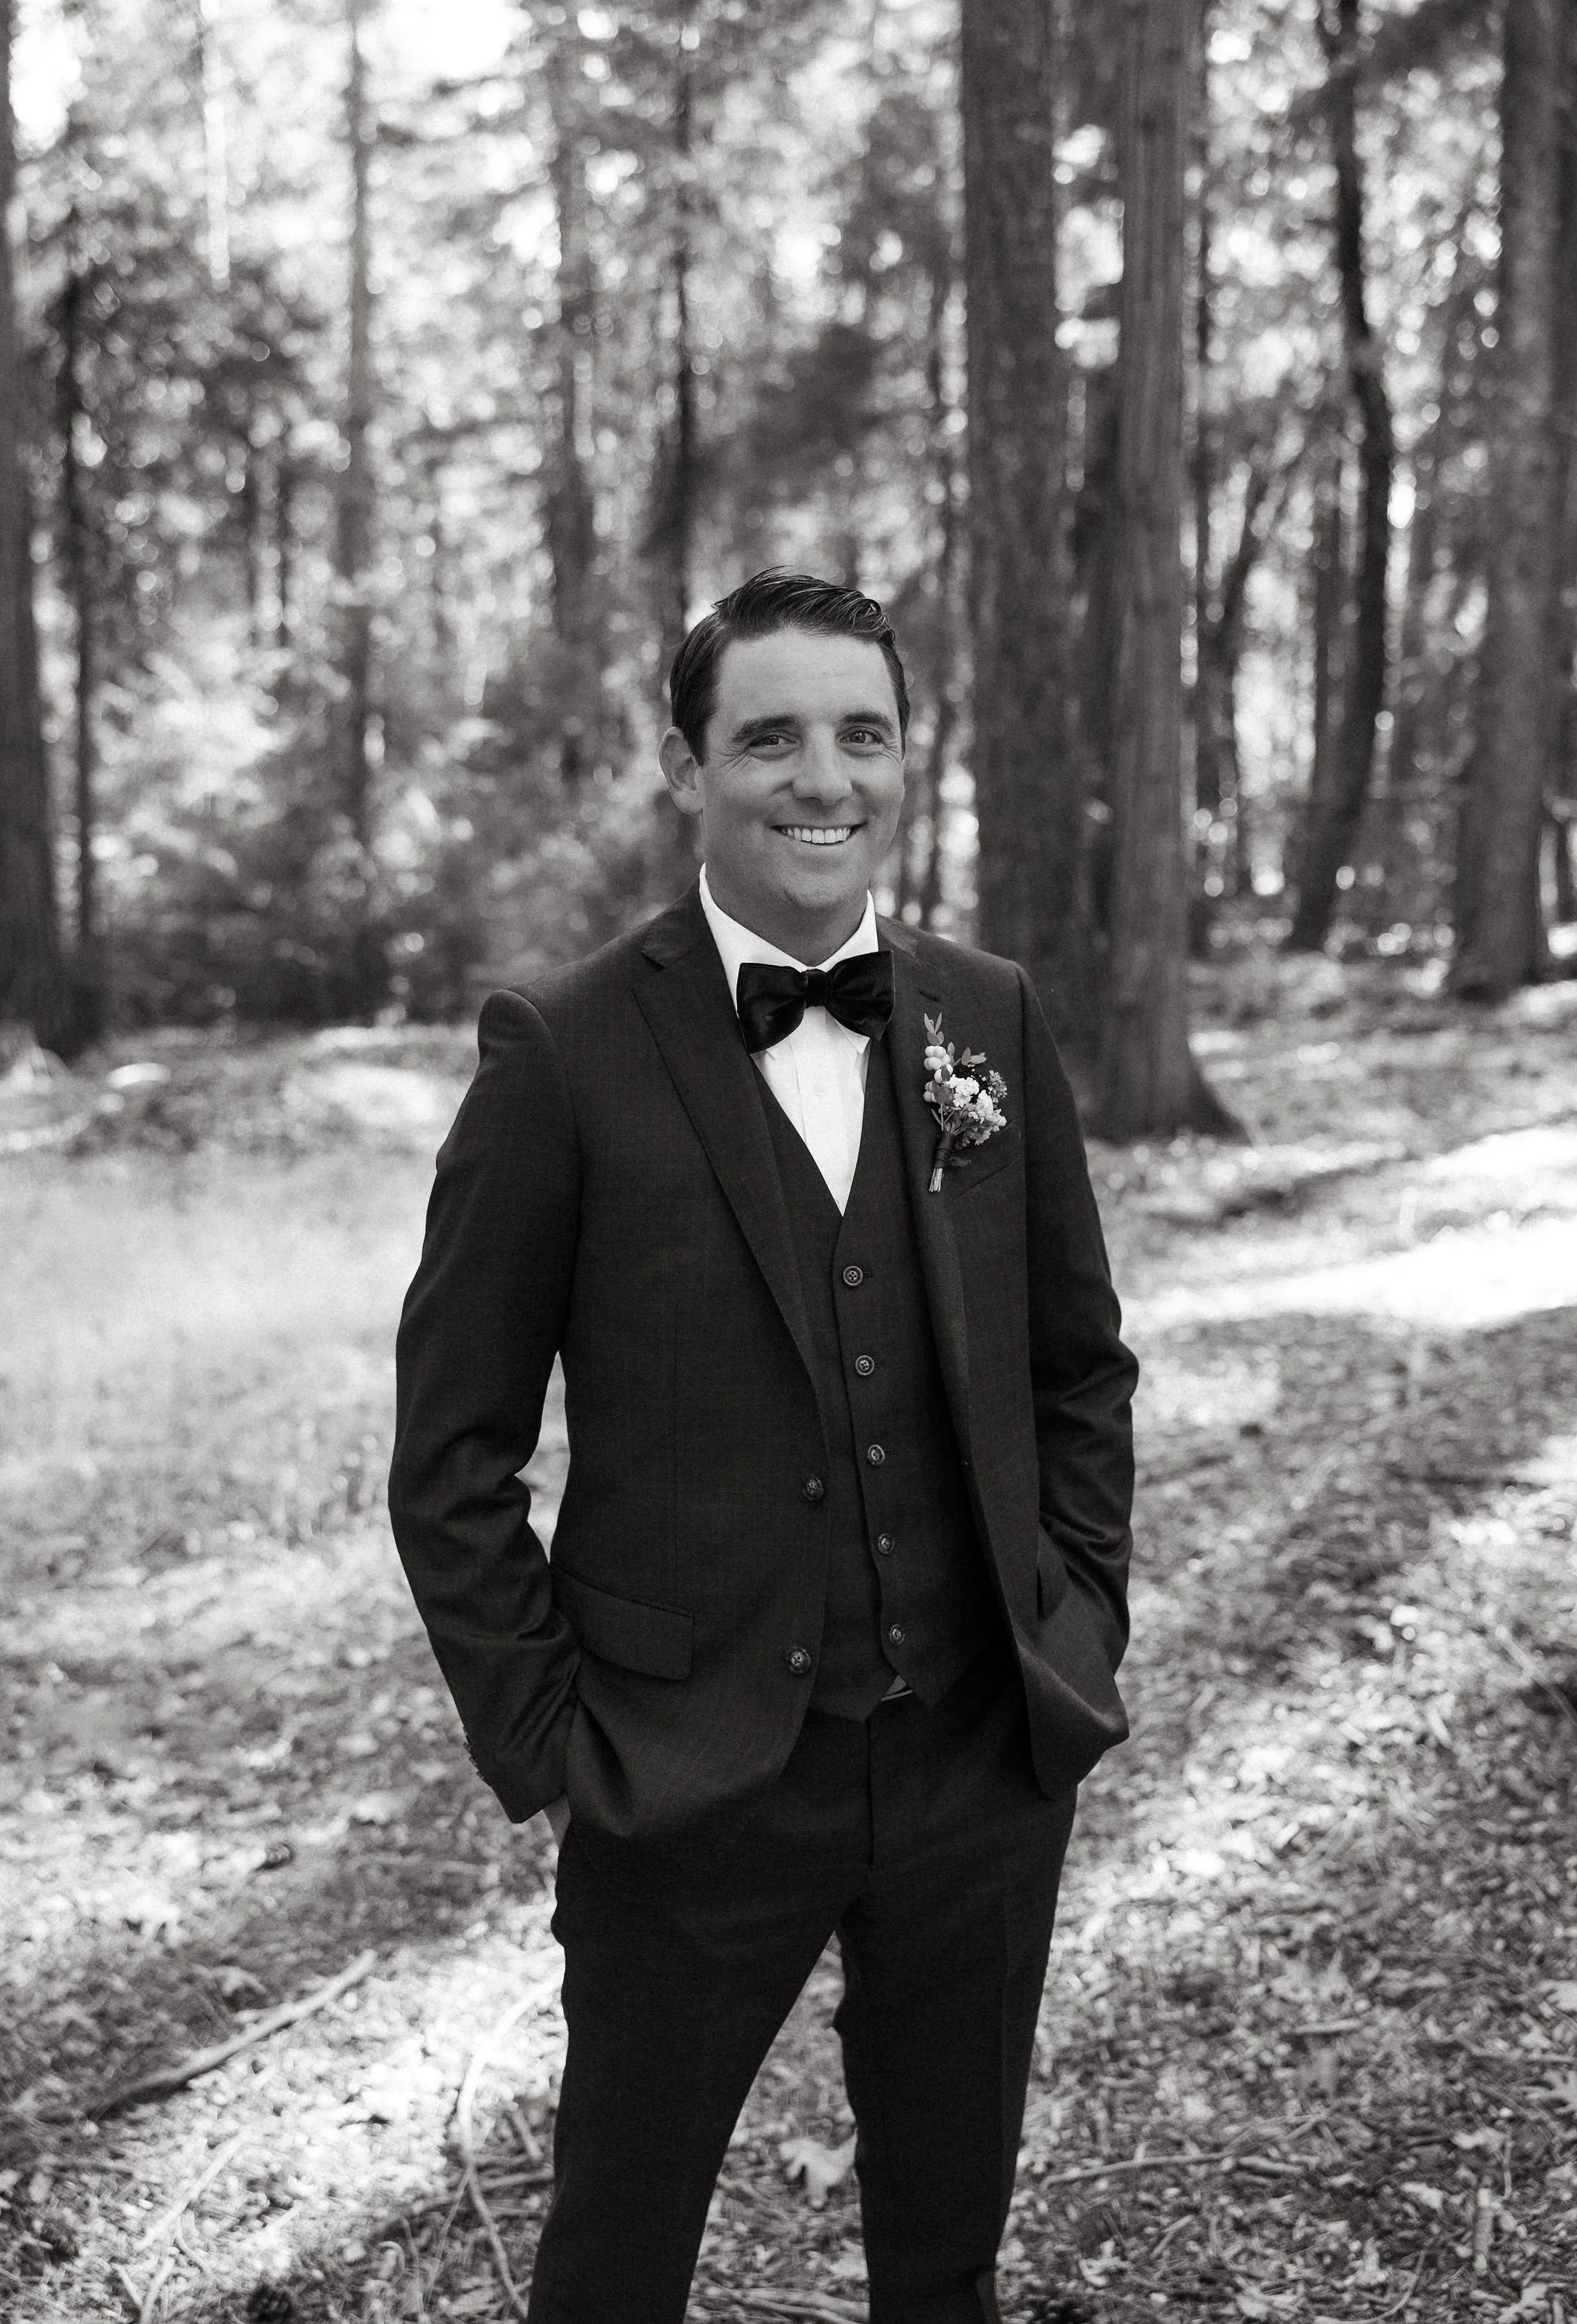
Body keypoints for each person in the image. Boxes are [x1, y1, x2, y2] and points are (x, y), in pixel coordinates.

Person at [388, 568, 1138, 2324]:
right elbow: (452, 1451)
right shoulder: (563, 1050)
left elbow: (1076, 1366)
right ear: (683, 764)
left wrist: (1078, 1616)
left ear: (901, 758)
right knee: (616, 2262)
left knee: (945, 2257)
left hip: (975, 1761)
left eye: (862, 735)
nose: (825, 780)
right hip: (687, 1776)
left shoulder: (986, 1016)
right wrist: (555, 1737)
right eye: (772, 738)